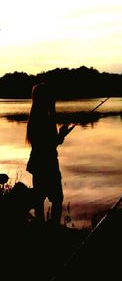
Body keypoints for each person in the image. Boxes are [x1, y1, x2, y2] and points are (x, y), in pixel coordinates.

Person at [26, 83, 70, 226]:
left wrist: (60, 137)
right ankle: (54, 228)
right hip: (48, 163)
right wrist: (62, 135)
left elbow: (46, 143)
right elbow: (50, 144)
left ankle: (40, 225)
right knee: (57, 198)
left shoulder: (34, 117)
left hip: (37, 162)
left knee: (39, 198)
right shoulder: (46, 118)